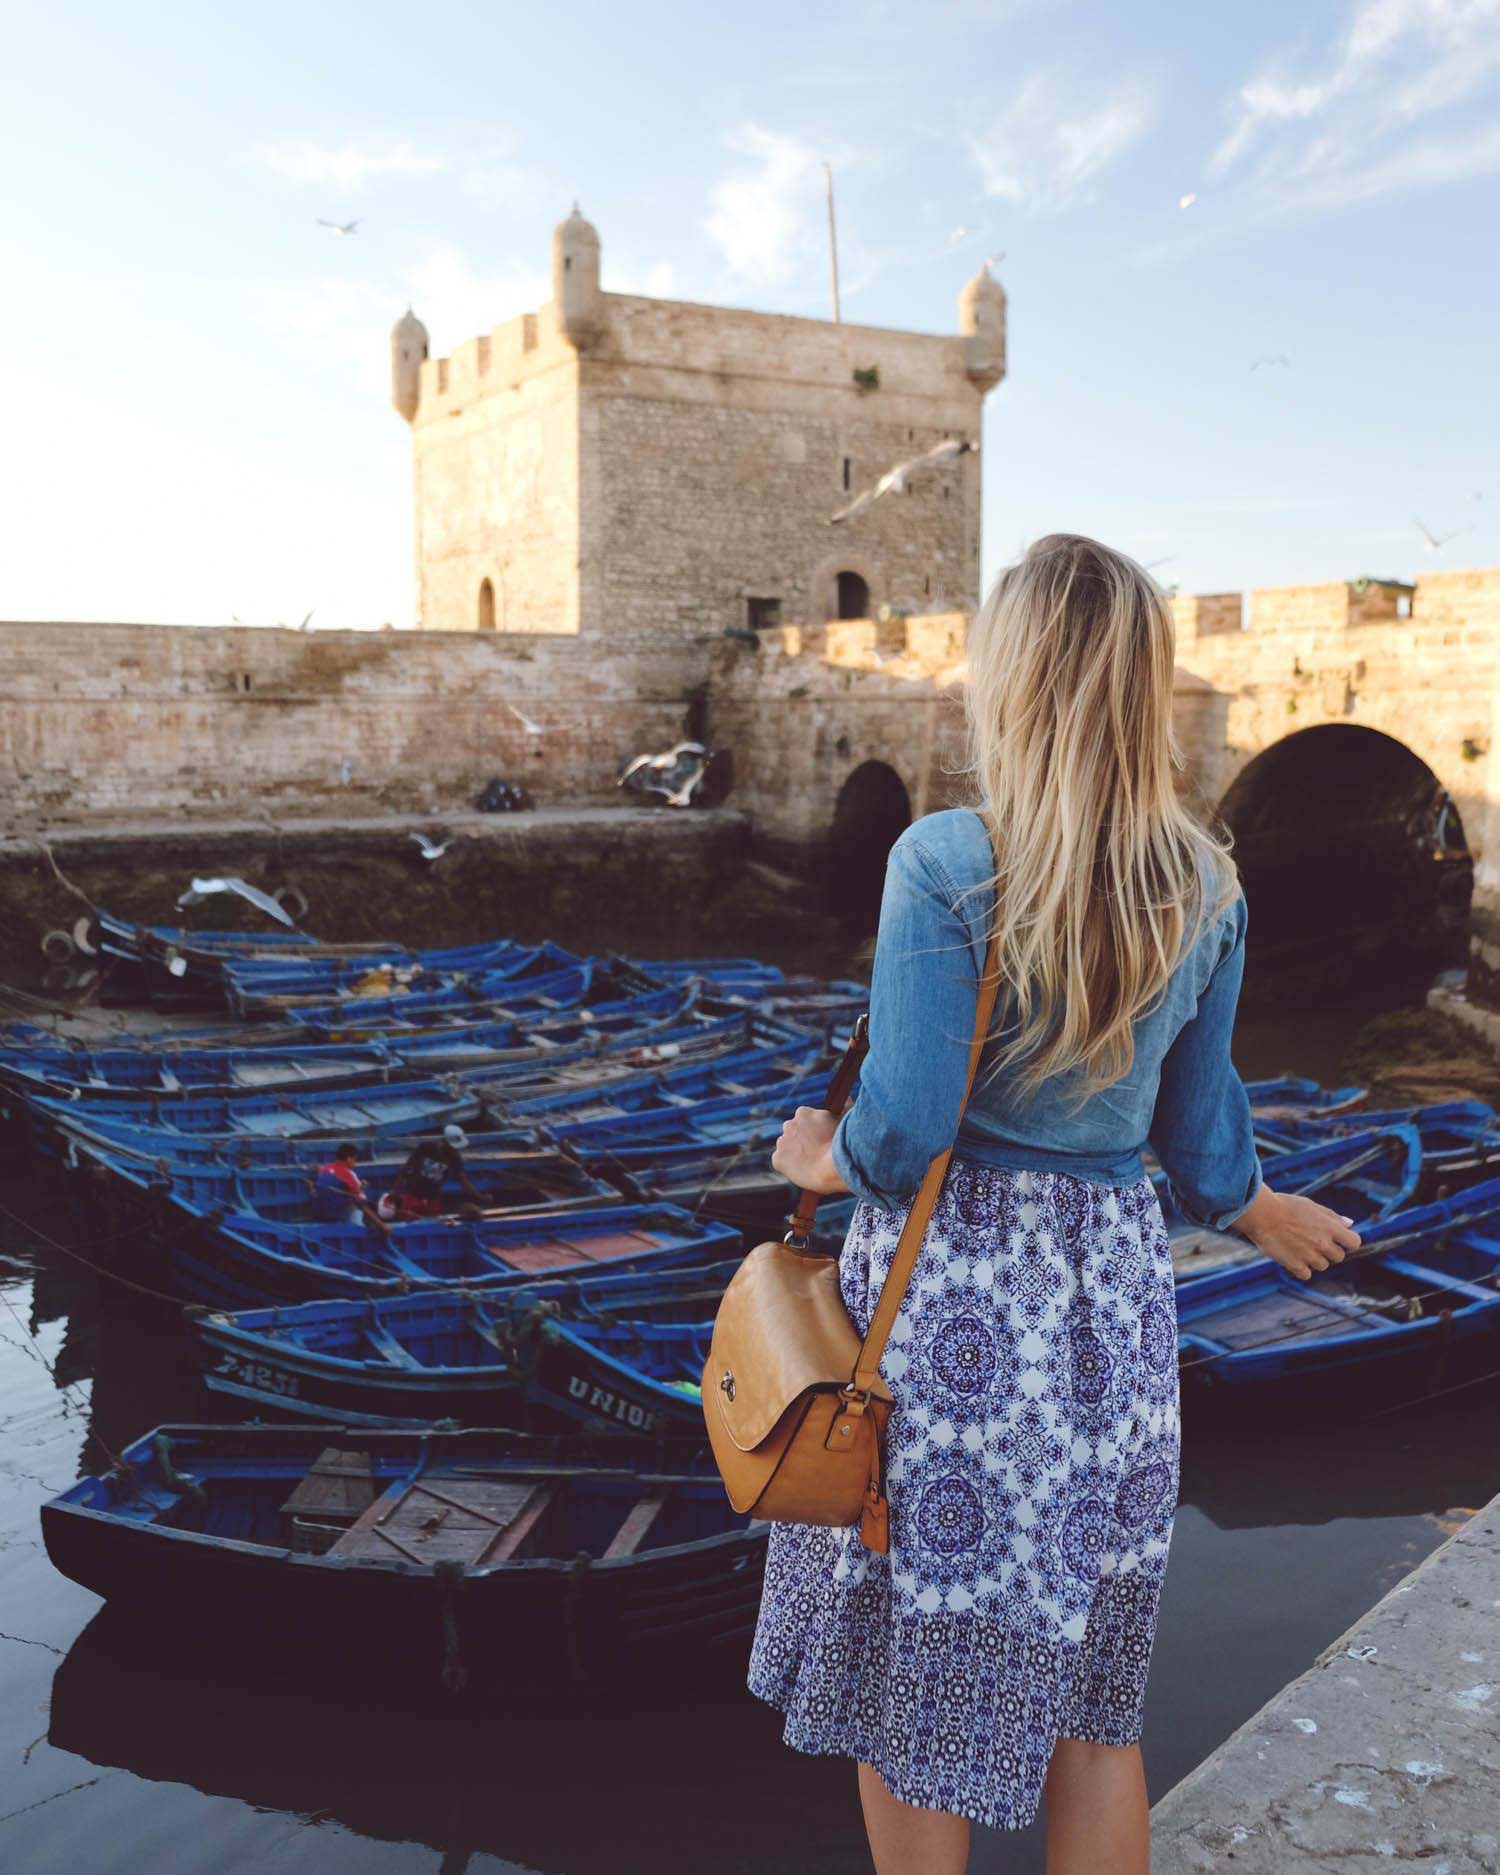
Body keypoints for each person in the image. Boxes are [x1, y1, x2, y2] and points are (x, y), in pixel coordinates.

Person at [755, 534, 1359, 1875]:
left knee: (910, 1683)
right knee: (1097, 1706)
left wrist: (814, 1160)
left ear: (1012, 676)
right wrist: (1264, 1204)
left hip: (953, 1315)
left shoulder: (947, 860)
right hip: (1111, 1324)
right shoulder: (1206, 882)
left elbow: (902, 1129)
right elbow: (1204, 1153)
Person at [377, 1123, 484, 1222]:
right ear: (445, 1142)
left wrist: (479, 1197)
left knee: (431, 1223)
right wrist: (395, 1189)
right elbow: (406, 1167)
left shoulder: (455, 1158)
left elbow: (463, 1180)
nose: (454, 1150)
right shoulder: (426, 1148)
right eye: (452, 1148)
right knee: (408, 1221)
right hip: (413, 1193)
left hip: (433, 1197)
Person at [309, 1142, 389, 1235]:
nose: (355, 1163)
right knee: (361, 1201)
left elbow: (318, 1168)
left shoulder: (326, 1168)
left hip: (318, 1215)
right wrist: (381, 1224)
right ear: (349, 1158)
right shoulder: (349, 1174)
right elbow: (360, 1203)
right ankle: (359, 1229)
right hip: (335, 1216)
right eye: (355, 1160)